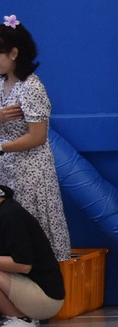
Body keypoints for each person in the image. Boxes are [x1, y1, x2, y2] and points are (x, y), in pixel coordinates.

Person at [0, 18, 69, 262]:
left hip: (30, 174)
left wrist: (2, 147)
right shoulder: (2, 83)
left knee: (31, 232)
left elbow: (37, 136)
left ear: (14, 53)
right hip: (6, 171)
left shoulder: (31, 87)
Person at [0, 182, 64, 327]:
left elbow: (23, 265)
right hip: (27, 288)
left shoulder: (11, 214)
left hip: (46, 297)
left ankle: (21, 320)